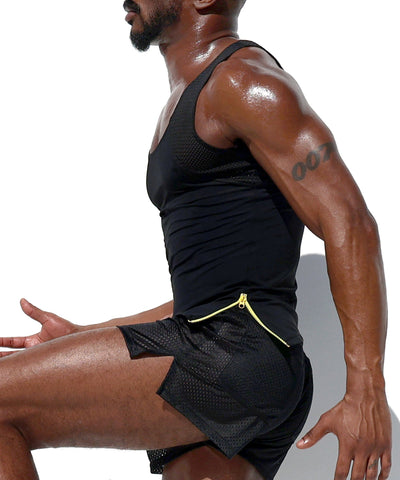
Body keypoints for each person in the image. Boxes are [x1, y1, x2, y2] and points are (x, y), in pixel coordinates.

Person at [0, 0, 392, 479]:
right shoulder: (196, 95)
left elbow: (351, 222)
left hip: (230, 354)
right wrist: (83, 335)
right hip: (232, 356)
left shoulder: (242, 83)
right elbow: (208, 298)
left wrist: (367, 390)